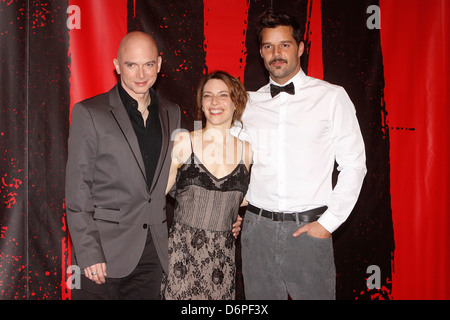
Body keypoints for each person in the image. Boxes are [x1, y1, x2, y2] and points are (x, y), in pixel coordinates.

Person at [231, 9, 367, 299]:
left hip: (310, 230)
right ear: (261, 52)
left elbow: (354, 165)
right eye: (268, 46)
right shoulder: (247, 104)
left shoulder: (331, 97)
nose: (276, 53)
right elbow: (231, 166)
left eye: (285, 45)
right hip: (257, 232)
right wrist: (230, 210)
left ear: (301, 48)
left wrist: (327, 224)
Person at [65, 31, 181, 299]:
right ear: (117, 65)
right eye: (131, 64)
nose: (141, 73)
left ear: (159, 65)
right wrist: (89, 252)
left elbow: (175, 180)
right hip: (103, 255)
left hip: (152, 254)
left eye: (148, 64)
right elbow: (78, 188)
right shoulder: (90, 112)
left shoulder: (171, 112)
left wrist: (225, 211)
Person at [162, 71, 251, 300]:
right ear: (201, 102)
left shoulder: (247, 151)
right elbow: (155, 195)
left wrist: (237, 218)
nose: (214, 102)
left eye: (223, 95)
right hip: (181, 256)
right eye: (208, 95)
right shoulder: (184, 141)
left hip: (222, 259)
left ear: (236, 102)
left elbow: (244, 202)